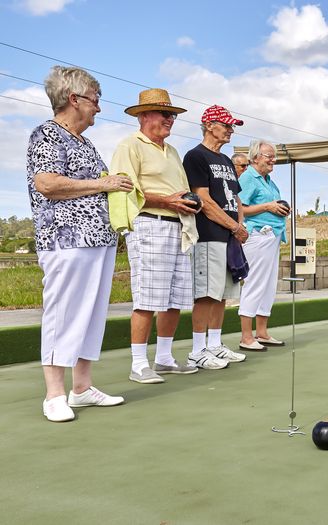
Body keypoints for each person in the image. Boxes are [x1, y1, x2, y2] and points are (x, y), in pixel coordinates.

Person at [27, 66, 130, 421]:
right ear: (74, 99)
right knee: (64, 311)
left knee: (91, 313)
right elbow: (47, 183)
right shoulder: (47, 134)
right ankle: (54, 394)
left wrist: (113, 184)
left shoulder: (85, 142)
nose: (98, 108)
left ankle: (82, 388)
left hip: (98, 240)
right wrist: (106, 184)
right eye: (95, 100)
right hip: (65, 240)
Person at [110, 88, 201, 384]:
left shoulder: (172, 151)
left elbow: (180, 190)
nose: (170, 119)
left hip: (179, 227)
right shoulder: (130, 145)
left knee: (175, 297)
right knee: (147, 297)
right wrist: (166, 201)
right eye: (165, 114)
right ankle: (138, 363)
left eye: (172, 115)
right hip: (149, 224)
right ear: (144, 115)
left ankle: (163, 358)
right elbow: (125, 188)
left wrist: (185, 203)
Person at [184, 105, 248, 368]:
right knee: (206, 294)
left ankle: (215, 344)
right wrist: (233, 227)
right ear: (210, 125)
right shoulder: (195, 156)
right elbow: (204, 201)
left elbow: (235, 197)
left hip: (229, 236)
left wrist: (239, 226)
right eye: (227, 125)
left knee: (222, 293)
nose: (231, 130)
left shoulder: (226, 160)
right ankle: (198, 350)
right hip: (208, 234)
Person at [237, 139, 289, 350]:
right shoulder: (249, 177)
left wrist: (280, 208)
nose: (273, 160)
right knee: (255, 282)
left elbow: (270, 205)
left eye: (273, 156)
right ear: (255, 157)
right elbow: (241, 209)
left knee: (268, 285)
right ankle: (246, 337)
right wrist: (269, 205)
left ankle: (262, 332)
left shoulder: (268, 180)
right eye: (269, 156)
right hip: (257, 236)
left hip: (272, 236)